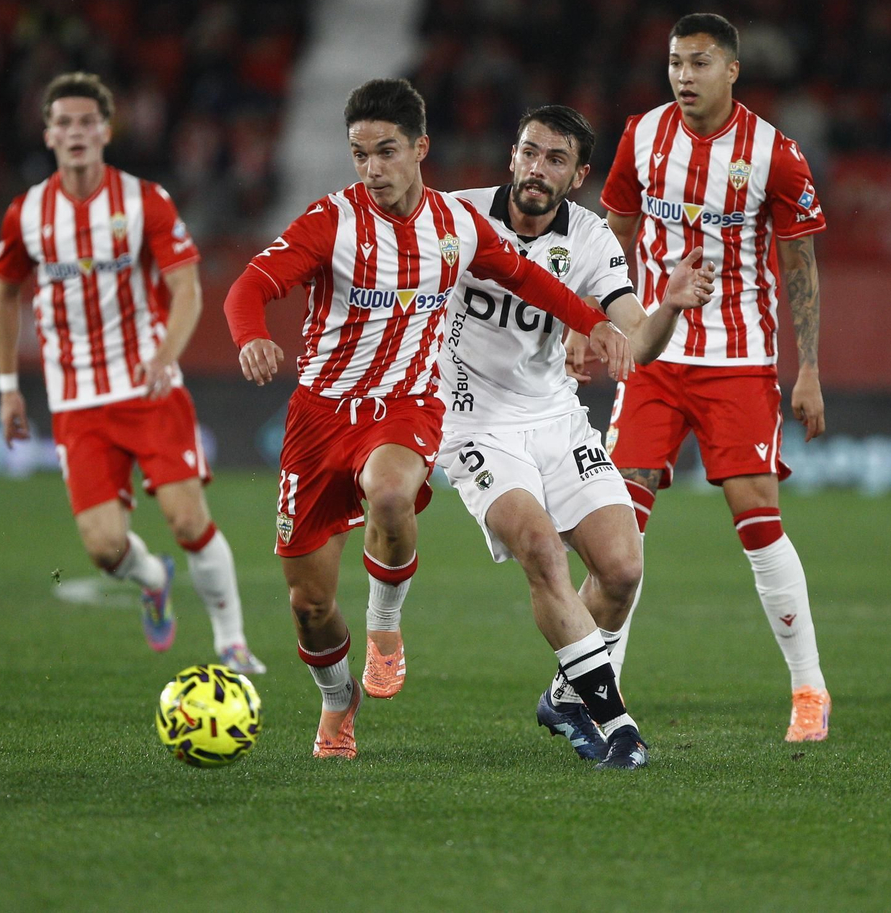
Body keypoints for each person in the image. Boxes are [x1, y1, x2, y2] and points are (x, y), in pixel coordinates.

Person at [224, 78, 633, 760]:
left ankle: (385, 624)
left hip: (407, 404)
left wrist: (591, 323)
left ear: (420, 148)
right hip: (320, 415)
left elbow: (525, 276)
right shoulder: (331, 222)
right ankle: (337, 701)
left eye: (386, 152)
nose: (372, 169)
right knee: (310, 606)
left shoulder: (455, 225)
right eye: (360, 155)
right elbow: (249, 287)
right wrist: (250, 336)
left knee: (390, 494)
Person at [440, 105, 715, 770]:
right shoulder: (457, 216)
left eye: (556, 159)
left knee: (622, 570)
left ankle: (565, 696)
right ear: (512, 155)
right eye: (530, 153)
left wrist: (671, 304)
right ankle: (616, 723)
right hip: (475, 423)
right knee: (541, 548)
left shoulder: (589, 238)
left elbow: (639, 342)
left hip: (556, 417)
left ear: (578, 175)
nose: (538, 169)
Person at [584, 12, 833, 742]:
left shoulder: (774, 154)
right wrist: (587, 319)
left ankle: (809, 688)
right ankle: (600, 696)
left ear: (731, 70)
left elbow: (799, 263)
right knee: (619, 530)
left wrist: (810, 369)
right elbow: (611, 234)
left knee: (758, 522)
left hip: (739, 361)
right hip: (653, 358)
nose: (684, 77)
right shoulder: (641, 136)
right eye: (674, 63)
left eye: (698, 63)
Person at [0, 72, 266, 676]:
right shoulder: (26, 213)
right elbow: (3, 293)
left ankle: (232, 643)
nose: (76, 132)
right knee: (104, 548)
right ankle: (153, 578)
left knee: (188, 519)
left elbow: (187, 287)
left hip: (147, 388)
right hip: (76, 401)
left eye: (87, 122)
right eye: (64, 122)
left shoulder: (143, 201)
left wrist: (165, 354)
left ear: (106, 131)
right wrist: (9, 389)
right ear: (48, 134)